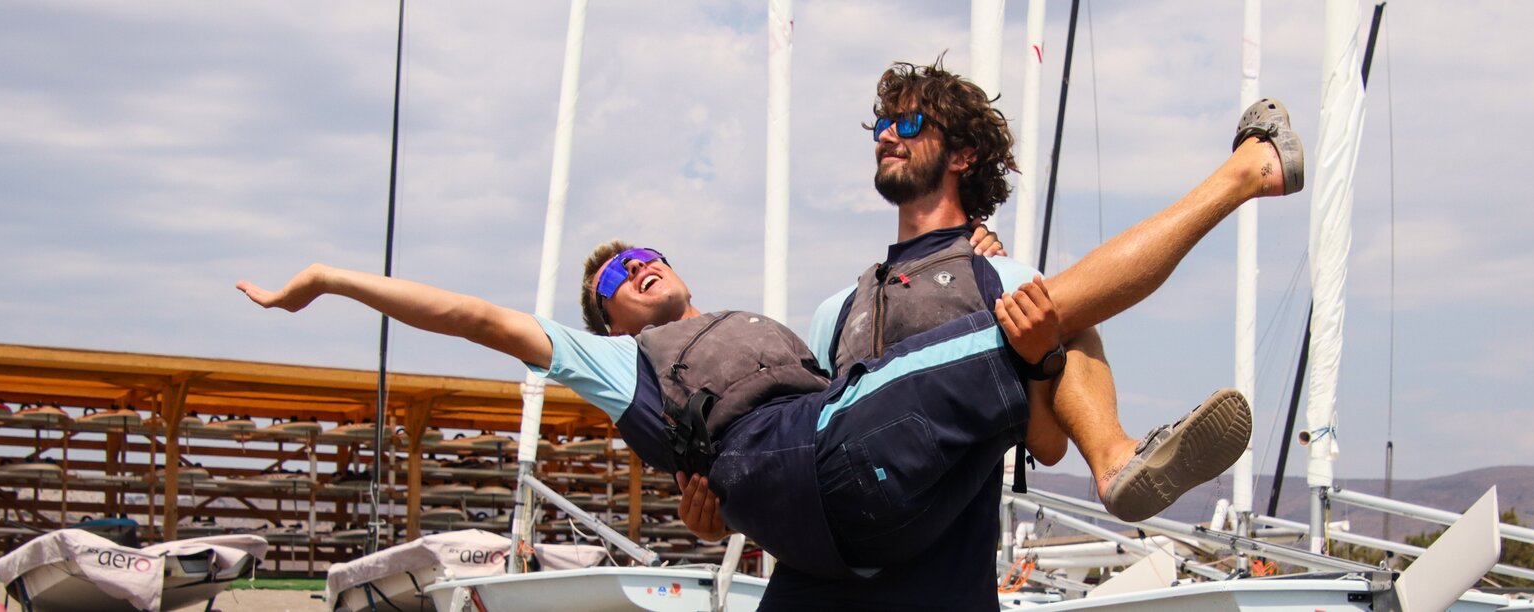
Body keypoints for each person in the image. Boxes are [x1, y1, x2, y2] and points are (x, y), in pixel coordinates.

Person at [241, 96, 1300, 607]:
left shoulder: (802, 325)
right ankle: (1248, 174)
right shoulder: (616, 365)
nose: (635, 272)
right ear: (604, 322)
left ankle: (1120, 457)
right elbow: (473, 316)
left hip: (875, 517)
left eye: (646, 255)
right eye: (613, 280)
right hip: (819, 494)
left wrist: (988, 296)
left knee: (1038, 315)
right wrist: (334, 279)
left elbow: (1007, 435)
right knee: (1043, 310)